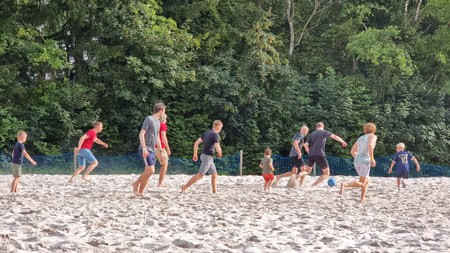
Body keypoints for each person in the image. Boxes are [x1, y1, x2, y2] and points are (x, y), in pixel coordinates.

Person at [298, 122, 347, 187]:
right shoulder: (324, 132)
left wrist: (308, 151)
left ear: (316, 127)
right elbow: (334, 136)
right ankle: (314, 185)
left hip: (311, 155)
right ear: (322, 127)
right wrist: (342, 141)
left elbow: (306, 145)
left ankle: (297, 176)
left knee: (307, 171)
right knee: (326, 173)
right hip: (320, 154)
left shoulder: (312, 134)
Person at [132, 103, 165, 196]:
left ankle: (140, 192)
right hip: (146, 149)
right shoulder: (149, 119)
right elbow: (141, 134)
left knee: (148, 172)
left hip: (153, 149)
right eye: (164, 111)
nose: (164, 113)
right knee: (151, 170)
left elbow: (157, 137)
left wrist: (161, 151)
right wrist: (144, 148)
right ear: (161, 110)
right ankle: (135, 184)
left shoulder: (158, 122)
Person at [181, 120, 223, 193]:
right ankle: (185, 186)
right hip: (207, 157)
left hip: (204, 155)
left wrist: (195, 154)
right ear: (219, 127)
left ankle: (214, 191)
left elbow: (196, 143)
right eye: (220, 128)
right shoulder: (215, 134)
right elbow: (217, 145)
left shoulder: (206, 133)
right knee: (200, 175)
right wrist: (219, 152)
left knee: (214, 174)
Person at [339, 123, 378, 202]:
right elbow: (370, 146)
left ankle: (362, 198)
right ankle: (345, 184)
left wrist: (358, 158)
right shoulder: (373, 136)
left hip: (357, 161)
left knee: (366, 181)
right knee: (362, 182)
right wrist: (372, 158)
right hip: (365, 161)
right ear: (374, 129)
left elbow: (352, 151)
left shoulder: (360, 138)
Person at [156, 113, 171, 187]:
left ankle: (145, 183)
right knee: (164, 164)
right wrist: (167, 147)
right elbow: (163, 136)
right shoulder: (162, 125)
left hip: (151, 146)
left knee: (150, 166)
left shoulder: (154, 124)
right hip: (160, 146)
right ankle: (160, 182)